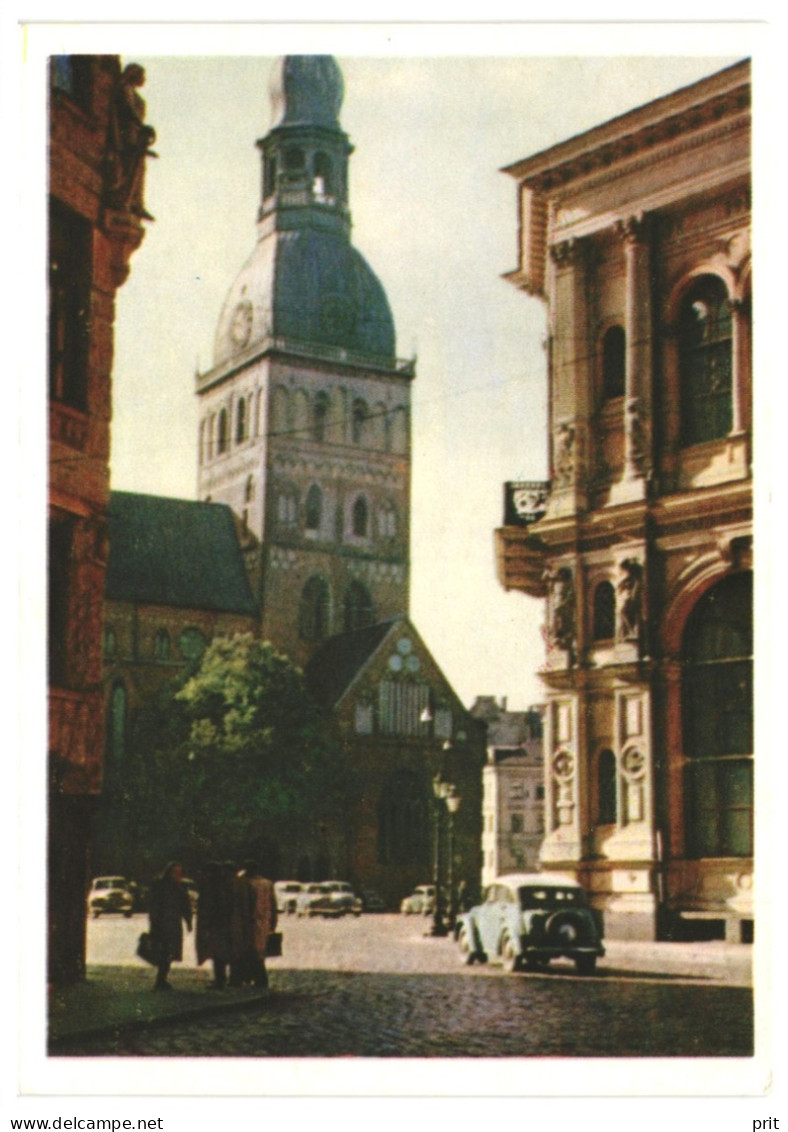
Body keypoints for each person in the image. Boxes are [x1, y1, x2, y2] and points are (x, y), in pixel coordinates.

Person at [229, 860, 277, 988]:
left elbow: (247, 904)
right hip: (264, 921)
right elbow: (273, 904)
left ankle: (250, 979)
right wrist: (273, 922)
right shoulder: (267, 883)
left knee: (245, 951)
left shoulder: (245, 884)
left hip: (250, 921)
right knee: (259, 951)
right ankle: (258, 979)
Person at [147, 861, 193, 991]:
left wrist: (188, 921)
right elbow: (153, 904)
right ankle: (160, 980)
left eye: (179, 872)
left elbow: (185, 905)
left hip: (174, 923)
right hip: (162, 923)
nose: (177, 875)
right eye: (175, 872)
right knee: (164, 951)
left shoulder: (181, 886)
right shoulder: (160, 885)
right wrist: (154, 921)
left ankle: (162, 979)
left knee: (170, 952)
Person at [195, 861, 235, 990]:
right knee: (220, 952)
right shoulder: (223, 885)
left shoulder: (212, 887)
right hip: (222, 924)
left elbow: (210, 906)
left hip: (216, 924)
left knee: (217, 953)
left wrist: (206, 923)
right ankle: (222, 978)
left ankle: (220, 979)